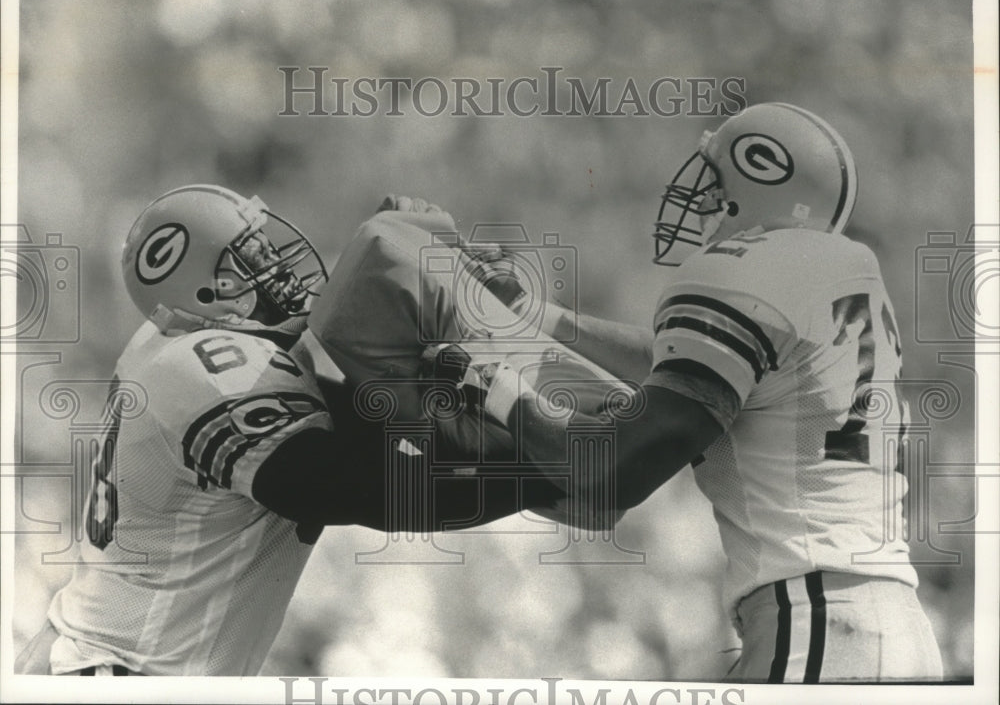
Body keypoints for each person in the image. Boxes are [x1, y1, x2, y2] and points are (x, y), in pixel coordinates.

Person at [436, 103, 945, 682]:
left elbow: (611, 470)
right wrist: (539, 317)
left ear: (760, 179)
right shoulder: (833, 268)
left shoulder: (745, 271)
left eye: (716, 179)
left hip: (816, 623)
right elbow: (677, 362)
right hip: (886, 624)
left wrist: (485, 383)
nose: (700, 197)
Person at [15, 185, 558, 676]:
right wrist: (551, 470)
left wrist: (387, 268)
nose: (279, 266)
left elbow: (316, 357)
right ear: (213, 292)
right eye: (255, 257)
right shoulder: (207, 370)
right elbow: (374, 491)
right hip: (121, 672)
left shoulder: (176, 339)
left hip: (97, 661)